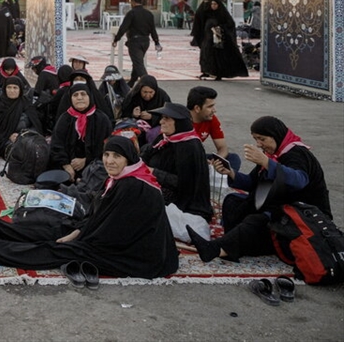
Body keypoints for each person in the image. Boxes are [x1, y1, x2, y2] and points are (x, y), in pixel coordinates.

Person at [0, 135, 179, 279]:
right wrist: (78, 229)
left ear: (128, 159)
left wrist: (78, 236)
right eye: (106, 155)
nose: (109, 161)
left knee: (58, 249)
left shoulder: (133, 186)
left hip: (135, 255)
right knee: (53, 231)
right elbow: (102, 215)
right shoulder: (124, 178)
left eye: (116, 156)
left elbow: (112, 233)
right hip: (111, 235)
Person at [187, 116, 331, 263]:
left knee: (258, 220)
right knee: (233, 201)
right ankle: (231, 245)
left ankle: (217, 249)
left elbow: (299, 181)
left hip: (305, 216)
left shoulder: (297, 154)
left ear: (275, 135)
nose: (259, 144)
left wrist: (267, 162)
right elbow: (251, 182)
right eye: (256, 139)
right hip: (282, 206)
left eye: (262, 139)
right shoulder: (272, 156)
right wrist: (230, 172)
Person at [141, 102, 212, 242]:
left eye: (166, 118)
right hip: (158, 184)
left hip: (181, 198)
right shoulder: (165, 138)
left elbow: (185, 185)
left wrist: (153, 172)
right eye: (162, 117)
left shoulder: (189, 147)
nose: (161, 121)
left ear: (179, 123)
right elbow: (147, 154)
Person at [49, 81, 113, 181]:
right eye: (75, 95)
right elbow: (57, 144)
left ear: (90, 97)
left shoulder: (101, 119)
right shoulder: (65, 118)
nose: (79, 98)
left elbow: (106, 146)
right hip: (68, 165)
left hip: (95, 164)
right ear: (70, 99)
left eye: (83, 94)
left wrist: (86, 160)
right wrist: (66, 165)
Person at [190, 0, 248, 80]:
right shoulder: (208, 14)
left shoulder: (222, 14)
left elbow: (230, 24)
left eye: (215, 4)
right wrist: (204, 3)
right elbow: (199, 16)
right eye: (212, 4)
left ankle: (218, 73)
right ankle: (206, 71)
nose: (213, 6)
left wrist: (220, 28)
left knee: (216, 57)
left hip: (218, 40)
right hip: (207, 39)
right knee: (205, 54)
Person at [0, 76, 43, 158]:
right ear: (4, 88)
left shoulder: (26, 103)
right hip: (4, 139)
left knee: (35, 149)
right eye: (9, 87)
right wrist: (8, 135)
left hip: (26, 137)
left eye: (15, 88)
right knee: (15, 151)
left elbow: (36, 125)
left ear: (20, 90)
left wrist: (24, 135)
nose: (12, 91)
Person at [186, 86, 240, 172]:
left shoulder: (211, 119)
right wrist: (200, 161)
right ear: (197, 108)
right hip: (181, 159)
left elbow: (222, 148)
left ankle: (223, 182)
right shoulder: (181, 120)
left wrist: (215, 162)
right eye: (210, 107)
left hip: (198, 156)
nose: (214, 110)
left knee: (233, 158)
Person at [112, 0, 162, 86]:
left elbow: (123, 27)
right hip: (146, 42)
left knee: (138, 64)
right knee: (137, 62)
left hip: (135, 42)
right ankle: (131, 82)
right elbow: (153, 30)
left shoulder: (132, 13)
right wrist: (156, 42)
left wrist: (116, 39)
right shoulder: (149, 14)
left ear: (133, 2)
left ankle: (148, 84)